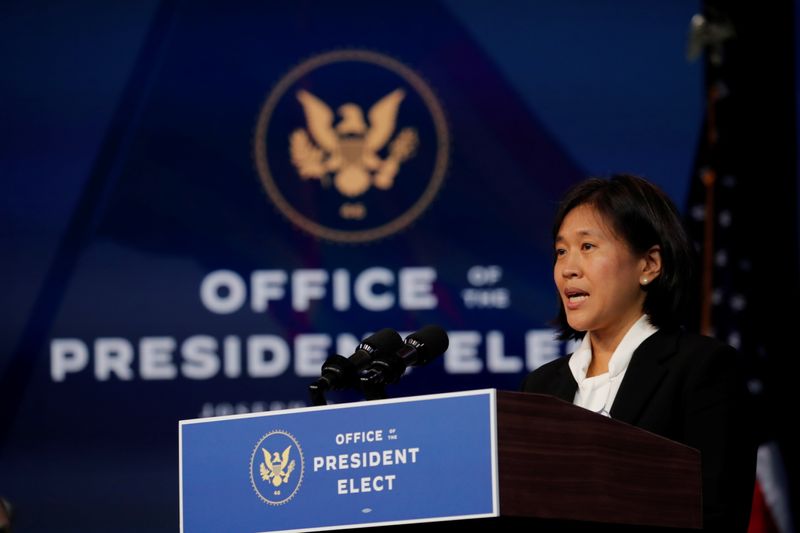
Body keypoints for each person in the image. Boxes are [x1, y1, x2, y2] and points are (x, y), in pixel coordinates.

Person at [522, 174, 756, 532]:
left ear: (648, 265)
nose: (568, 268)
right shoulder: (540, 387)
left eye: (587, 247)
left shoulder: (702, 369)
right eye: (561, 251)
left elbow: (715, 515)